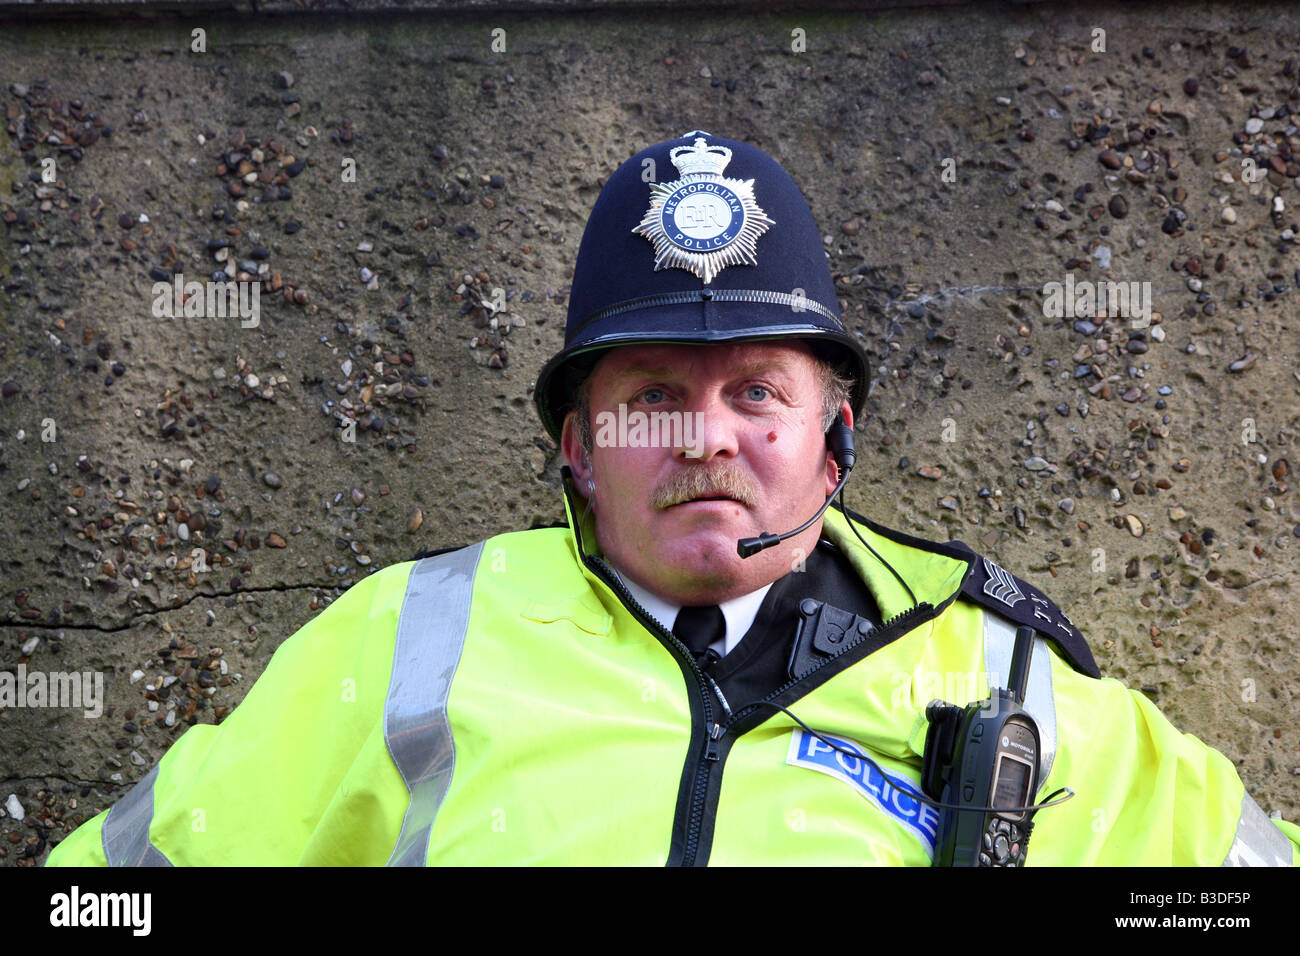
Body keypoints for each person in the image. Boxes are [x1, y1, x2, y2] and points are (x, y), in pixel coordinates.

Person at [46, 131, 1298, 866]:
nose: (706, 439)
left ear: (834, 437)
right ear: (578, 448)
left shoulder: (1006, 676)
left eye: (756, 391)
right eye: (651, 394)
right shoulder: (406, 639)